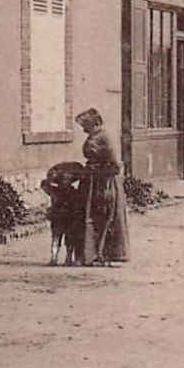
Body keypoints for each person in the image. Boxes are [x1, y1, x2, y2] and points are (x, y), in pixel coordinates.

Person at [75, 107, 129, 265]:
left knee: (102, 217)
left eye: (86, 126)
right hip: (91, 182)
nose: (84, 129)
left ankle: (103, 254)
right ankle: (89, 254)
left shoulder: (106, 138)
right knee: (88, 217)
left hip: (103, 183)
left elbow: (116, 166)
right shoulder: (95, 136)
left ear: (96, 123)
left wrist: (99, 174)